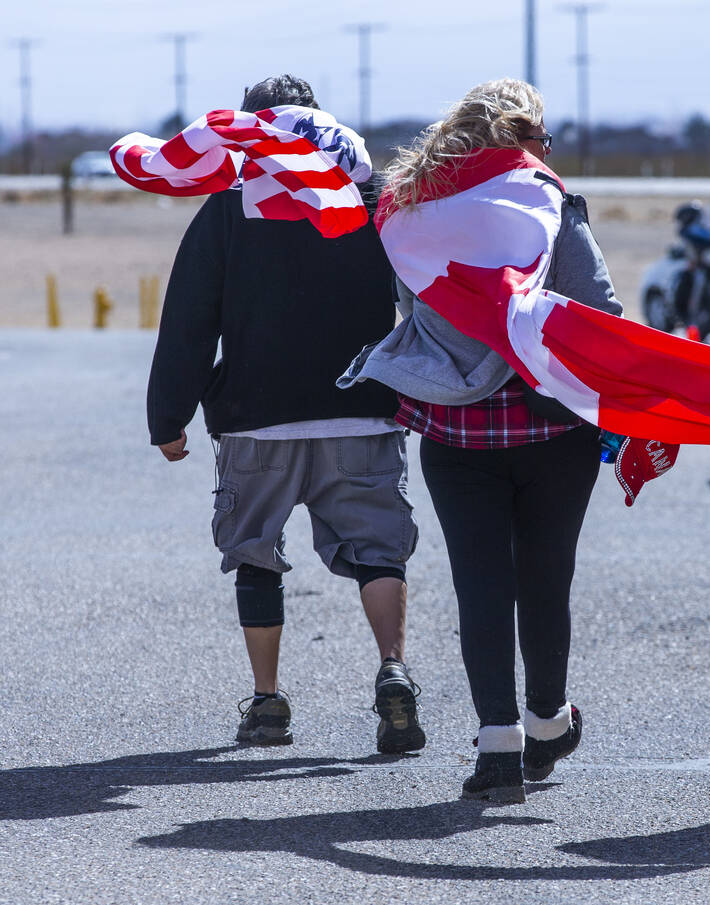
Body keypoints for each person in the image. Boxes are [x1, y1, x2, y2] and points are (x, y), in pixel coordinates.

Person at [343, 78, 621, 803]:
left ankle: (498, 743)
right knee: (545, 577)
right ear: (521, 142)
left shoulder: (409, 210)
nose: (549, 154)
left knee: (481, 585)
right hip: (551, 424)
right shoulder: (551, 203)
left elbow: (411, 305)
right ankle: (548, 722)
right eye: (543, 140)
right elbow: (599, 306)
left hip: (454, 427)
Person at [147, 74, 425, 753]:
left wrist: (169, 414)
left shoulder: (229, 206)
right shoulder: (370, 200)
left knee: (255, 552)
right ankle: (393, 668)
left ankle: (268, 703)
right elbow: (421, 296)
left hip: (256, 415)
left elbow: (189, 318)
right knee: (378, 549)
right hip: (362, 408)